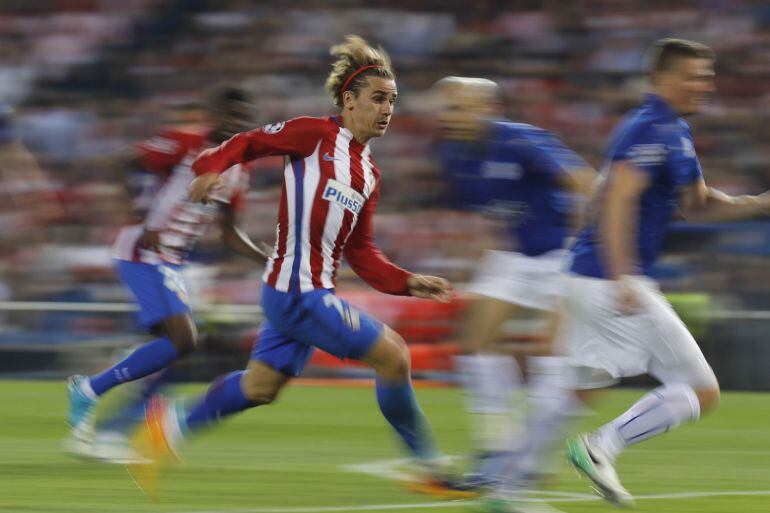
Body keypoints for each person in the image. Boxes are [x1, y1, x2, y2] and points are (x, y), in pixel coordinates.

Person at [127, 35, 463, 498]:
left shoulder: (369, 175)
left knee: (260, 387)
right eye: (378, 99)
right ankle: (430, 467)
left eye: (393, 101)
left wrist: (409, 282)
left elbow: (362, 254)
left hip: (306, 294)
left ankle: (167, 426)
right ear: (349, 100)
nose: (388, 109)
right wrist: (211, 165)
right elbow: (249, 141)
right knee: (395, 356)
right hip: (297, 292)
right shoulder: (315, 135)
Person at [547, 38, 770, 509]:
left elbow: (698, 202)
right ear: (662, 79)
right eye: (692, 76)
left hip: (589, 277)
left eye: (707, 76)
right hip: (609, 279)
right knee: (701, 389)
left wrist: (759, 204)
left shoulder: (675, 131)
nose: (703, 84)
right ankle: (599, 447)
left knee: (575, 391)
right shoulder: (651, 128)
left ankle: (506, 472)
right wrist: (625, 272)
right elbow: (618, 199)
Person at [65, 86, 270, 457]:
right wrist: (140, 213)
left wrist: (267, 259)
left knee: (174, 351)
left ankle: (112, 431)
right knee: (183, 340)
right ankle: (91, 390)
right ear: (215, 115)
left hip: (174, 262)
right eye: (230, 114)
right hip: (143, 251)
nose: (236, 122)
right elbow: (121, 161)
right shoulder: (185, 143)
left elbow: (228, 232)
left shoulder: (240, 171)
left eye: (243, 117)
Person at [431, 78, 594, 501]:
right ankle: (497, 449)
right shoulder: (452, 154)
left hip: (564, 254)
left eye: (462, 108)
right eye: (448, 109)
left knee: (552, 359)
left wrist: (583, 255)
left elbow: (585, 181)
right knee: (475, 345)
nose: (453, 117)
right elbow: (487, 213)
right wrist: (476, 266)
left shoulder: (522, 140)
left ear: (489, 107)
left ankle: (531, 462)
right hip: (516, 256)